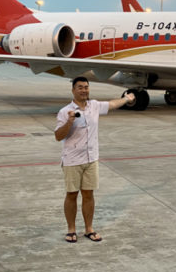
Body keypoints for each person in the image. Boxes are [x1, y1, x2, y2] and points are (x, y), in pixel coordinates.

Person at [54, 76, 135, 243]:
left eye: (86, 87)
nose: (84, 90)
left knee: (88, 194)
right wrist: (69, 122)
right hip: (72, 160)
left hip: (92, 159)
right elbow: (58, 136)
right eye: (80, 87)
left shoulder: (95, 106)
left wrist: (126, 99)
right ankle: (71, 230)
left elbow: (112, 104)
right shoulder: (65, 111)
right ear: (73, 90)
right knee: (71, 195)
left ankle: (89, 229)